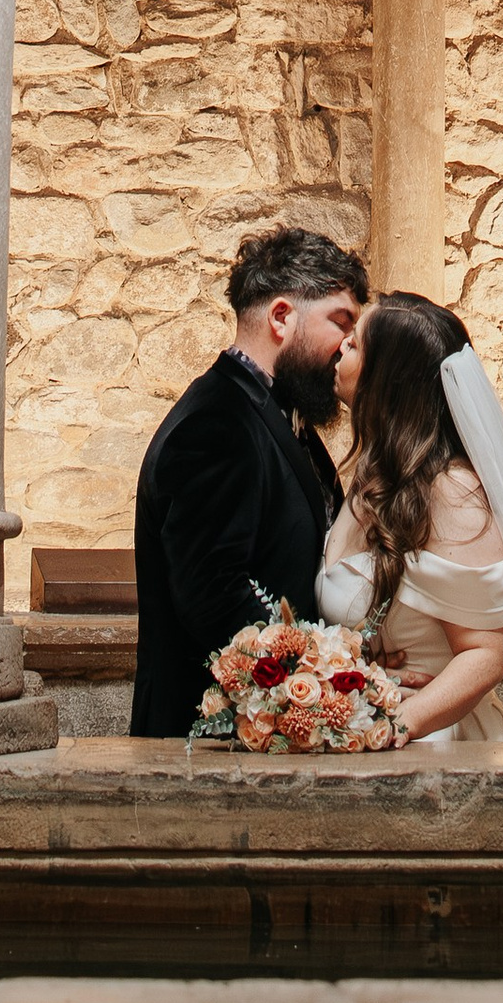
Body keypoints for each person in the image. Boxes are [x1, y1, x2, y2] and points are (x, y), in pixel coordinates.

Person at [317, 291, 503, 751]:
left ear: (387, 378)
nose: (341, 347)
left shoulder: (451, 492)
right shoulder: (375, 475)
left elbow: (486, 654)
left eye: (356, 344)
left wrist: (390, 726)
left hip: (437, 748)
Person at [129, 225, 368, 738]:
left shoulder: (273, 413)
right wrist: (317, 689)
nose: (346, 345)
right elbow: (213, 594)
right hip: (211, 739)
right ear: (282, 316)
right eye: (340, 322)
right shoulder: (215, 424)